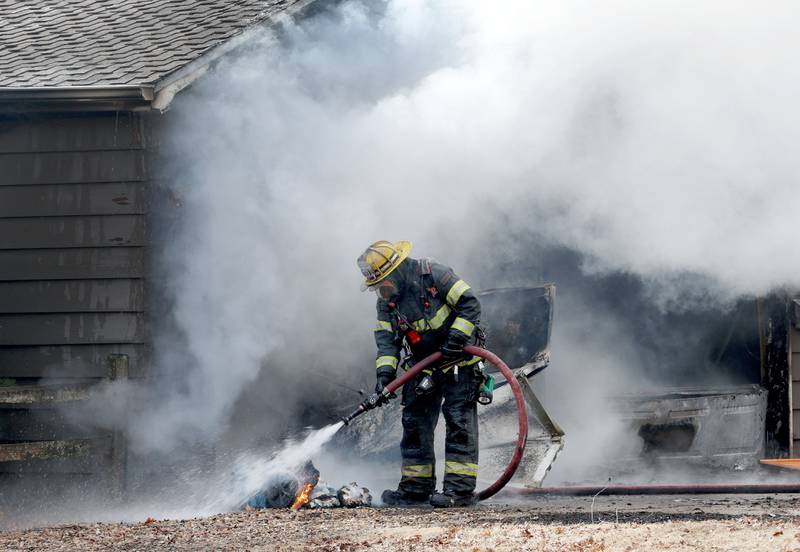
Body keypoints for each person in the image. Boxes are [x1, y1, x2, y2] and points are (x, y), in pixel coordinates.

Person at [357, 240, 484, 508]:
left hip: (459, 360)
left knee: (458, 422)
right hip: (423, 365)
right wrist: (385, 376)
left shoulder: (434, 274)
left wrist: (456, 338)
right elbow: (386, 340)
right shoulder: (386, 302)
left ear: (398, 271)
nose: (381, 291)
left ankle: (458, 491)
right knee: (414, 423)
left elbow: (470, 304)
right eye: (377, 287)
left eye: (384, 283)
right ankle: (416, 489)